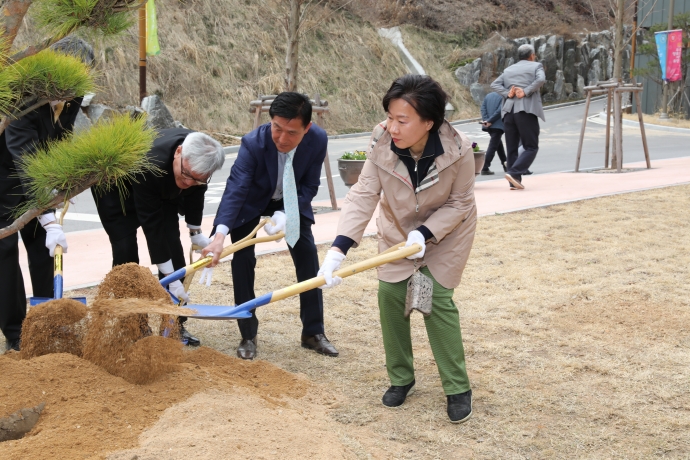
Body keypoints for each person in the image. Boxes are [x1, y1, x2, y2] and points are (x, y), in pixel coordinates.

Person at [318, 75, 477, 423]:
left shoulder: (460, 148)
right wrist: (338, 249)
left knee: (435, 300)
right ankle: (401, 378)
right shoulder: (381, 139)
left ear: (429, 122)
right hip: (397, 229)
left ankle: (457, 387)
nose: (392, 126)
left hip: (447, 232)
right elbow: (363, 193)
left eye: (402, 120)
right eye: (390, 116)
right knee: (391, 296)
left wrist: (426, 232)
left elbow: (461, 202)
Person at [202, 92, 337, 361]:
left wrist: (288, 212)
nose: (282, 139)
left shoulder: (318, 139)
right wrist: (219, 235)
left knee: (308, 256)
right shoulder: (253, 143)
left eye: (292, 132)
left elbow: (310, 185)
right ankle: (248, 333)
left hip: (290, 200)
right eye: (277, 128)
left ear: (307, 128)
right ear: (270, 121)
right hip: (251, 203)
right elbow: (236, 189)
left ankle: (313, 332)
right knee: (242, 261)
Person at [0, 37, 94, 352]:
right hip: (3, 178)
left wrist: (61, 182)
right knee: (6, 254)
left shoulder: (73, 90)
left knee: (43, 250)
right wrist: (49, 216)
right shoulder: (21, 96)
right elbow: (25, 158)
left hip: (36, 177)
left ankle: (45, 325)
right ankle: (15, 334)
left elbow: (61, 138)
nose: (75, 88)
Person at [92, 128, 225, 346]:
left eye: (198, 179)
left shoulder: (200, 156)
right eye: (187, 175)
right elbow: (152, 226)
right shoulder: (149, 163)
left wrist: (195, 232)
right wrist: (169, 278)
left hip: (162, 191)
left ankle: (173, 325)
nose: (190, 183)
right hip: (116, 191)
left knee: (174, 250)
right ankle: (134, 326)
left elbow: (195, 193)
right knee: (126, 255)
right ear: (178, 152)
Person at [490, 44, 545, 190]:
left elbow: (495, 84)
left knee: (512, 148)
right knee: (531, 146)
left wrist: (507, 93)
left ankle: (513, 182)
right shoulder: (536, 66)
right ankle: (514, 172)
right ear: (532, 55)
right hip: (526, 111)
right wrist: (525, 91)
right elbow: (541, 80)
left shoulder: (509, 70)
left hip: (508, 112)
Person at [479, 91, 507, 175]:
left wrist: (486, 120)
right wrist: (490, 121)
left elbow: (483, 108)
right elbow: (500, 111)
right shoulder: (504, 97)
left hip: (488, 125)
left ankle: (505, 164)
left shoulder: (488, 95)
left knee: (498, 145)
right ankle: (484, 167)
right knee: (493, 146)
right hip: (497, 124)